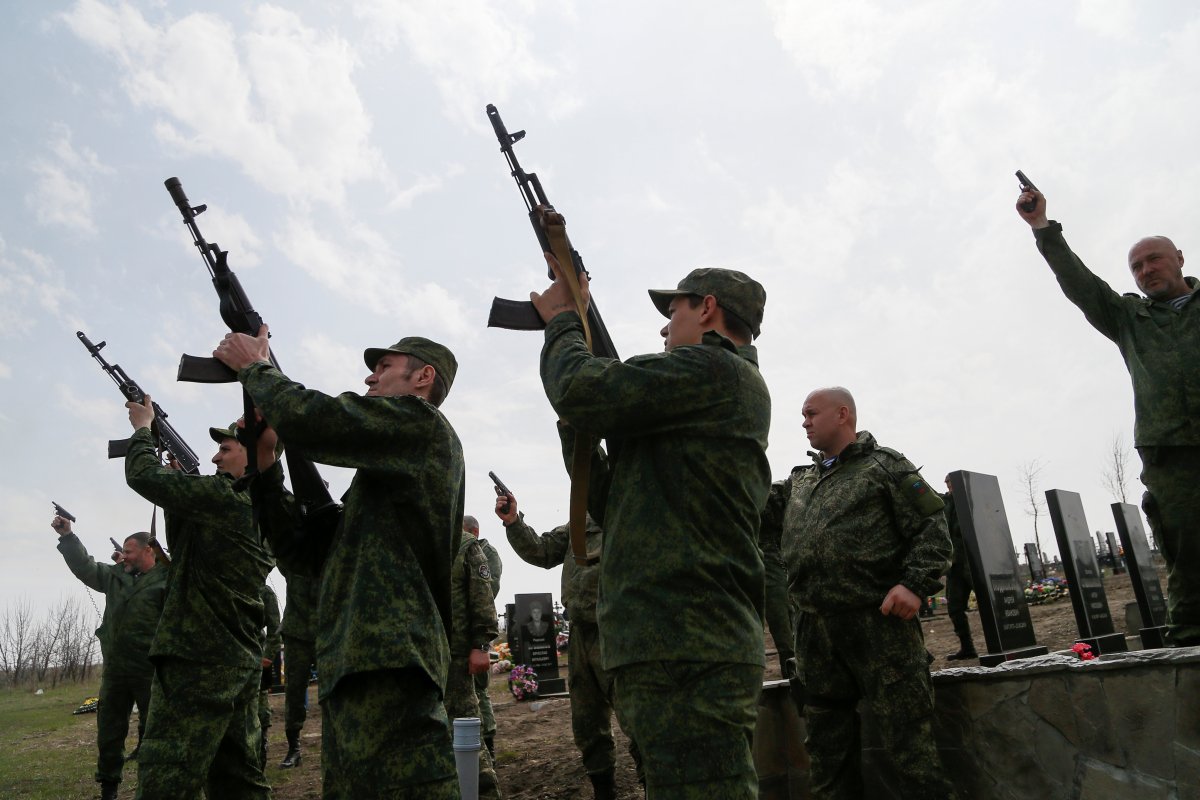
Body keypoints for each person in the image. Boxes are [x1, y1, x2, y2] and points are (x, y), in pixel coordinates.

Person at [530, 258, 771, 798]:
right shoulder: (689, 398)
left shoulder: (715, 372)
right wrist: (578, 431)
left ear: (707, 309)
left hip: (688, 643)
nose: (665, 326)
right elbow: (610, 503)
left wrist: (565, 321)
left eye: (674, 309)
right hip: (664, 642)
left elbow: (581, 388)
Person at [213, 329, 465, 799]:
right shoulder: (380, 483)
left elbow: (324, 422)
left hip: (393, 657)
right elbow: (304, 556)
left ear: (423, 377)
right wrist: (266, 462)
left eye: (384, 367)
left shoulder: (423, 426)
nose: (370, 377)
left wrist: (256, 369)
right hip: (355, 661)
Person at [1017, 186, 1200, 646]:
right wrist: (1043, 227)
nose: (1146, 271)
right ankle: (1191, 653)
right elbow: (1080, 284)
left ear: (1179, 258)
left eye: (1154, 260)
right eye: (1137, 267)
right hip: (1170, 456)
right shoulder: (1128, 318)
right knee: (1188, 559)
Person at [762, 387, 955, 799]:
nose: (804, 422)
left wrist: (914, 584)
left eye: (811, 413)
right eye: (803, 415)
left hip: (879, 628)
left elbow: (933, 530)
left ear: (842, 414)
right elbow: (749, 508)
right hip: (815, 635)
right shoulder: (800, 482)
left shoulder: (885, 468)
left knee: (911, 752)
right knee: (828, 754)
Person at [123, 409, 274, 800]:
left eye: (225, 449)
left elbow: (141, 476)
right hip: (235, 659)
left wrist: (142, 429)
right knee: (237, 777)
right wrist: (179, 493)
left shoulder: (225, 498)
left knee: (166, 776)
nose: (214, 458)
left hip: (197, 660)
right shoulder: (266, 510)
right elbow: (190, 550)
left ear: (253, 454)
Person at [497, 493, 638, 800]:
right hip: (581, 635)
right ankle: (605, 791)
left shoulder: (630, 511)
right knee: (587, 723)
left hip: (617, 632)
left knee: (638, 717)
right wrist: (514, 522)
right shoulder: (579, 523)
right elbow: (543, 551)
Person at [51, 516, 167, 800]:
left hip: (150, 670)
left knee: (155, 730)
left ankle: (153, 784)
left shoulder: (168, 579)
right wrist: (68, 537)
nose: (123, 556)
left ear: (148, 550)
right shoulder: (116, 577)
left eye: (129, 551)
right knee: (110, 731)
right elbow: (85, 567)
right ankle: (109, 787)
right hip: (115, 670)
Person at [445, 518, 502, 799]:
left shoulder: (466, 545)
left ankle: (485, 792)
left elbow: (483, 595)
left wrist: (481, 644)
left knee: (466, 728)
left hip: (456, 658)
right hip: (425, 654)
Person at [462, 515, 502, 758]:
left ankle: (488, 743)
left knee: (480, 689)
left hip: (477, 628)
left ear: (473, 532)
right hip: (458, 630)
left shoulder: (487, 553)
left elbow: (490, 588)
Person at [277, 568, 318, 768]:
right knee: (293, 693)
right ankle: (294, 749)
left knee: (334, 690)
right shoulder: (294, 556)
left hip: (326, 629)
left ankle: (335, 743)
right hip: (296, 632)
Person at [942, 476, 978, 661]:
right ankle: (967, 647)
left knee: (989, 604)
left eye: (952, 483)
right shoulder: (945, 502)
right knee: (954, 607)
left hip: (973, 560)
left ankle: (1005, 642)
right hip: (955, 564)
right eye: (947, 483)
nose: (949, 486)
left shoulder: (971, 500)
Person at [258, 583, 282, 766]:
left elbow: (275, 628)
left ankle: (260, 759)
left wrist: (268, 656)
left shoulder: (264, 592)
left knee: (259, 711)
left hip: (255, 658)